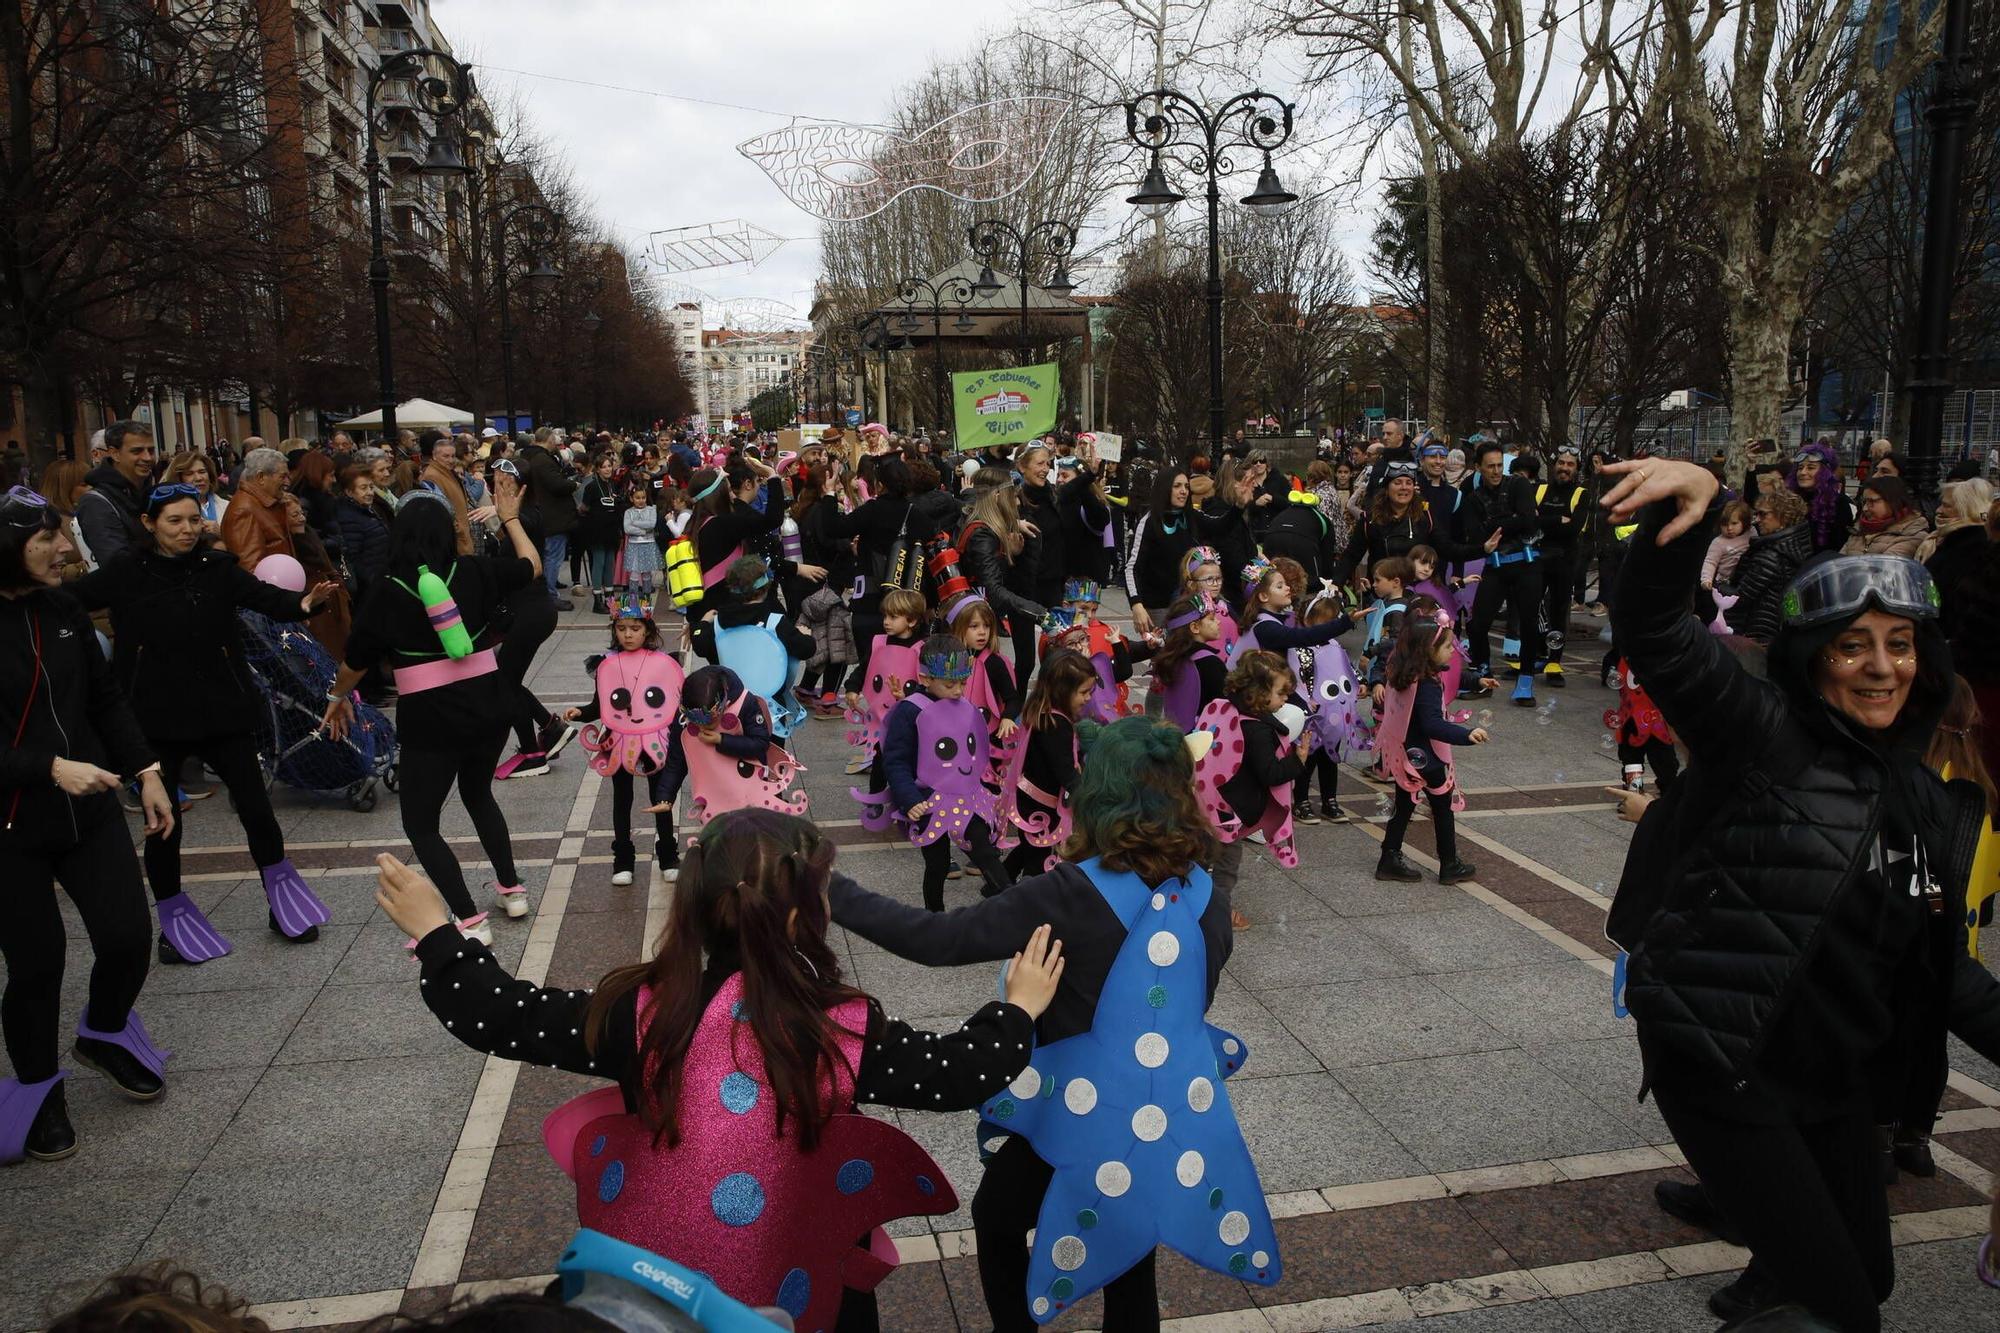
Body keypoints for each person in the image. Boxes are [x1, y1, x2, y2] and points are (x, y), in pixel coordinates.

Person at [376, 808, 1063, 1333]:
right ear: (801, 916)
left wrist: (439, 932)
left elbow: (501, 1013)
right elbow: (955, 1072)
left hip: (649, 1287)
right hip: (804, 1288)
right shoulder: (839, 1028)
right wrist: (1018, 1009)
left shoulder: (643, 1010)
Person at [1599, 455, 2000, 1332]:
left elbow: (1943, 968)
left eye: (1899, 644)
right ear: (1814, 660)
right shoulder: (1762, 736)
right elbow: (1657, 631)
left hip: (1833, 1075)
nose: (1880, 667)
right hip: (1726, 1063)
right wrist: (1690, 512)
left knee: (1867, 1275)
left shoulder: (1923, 795)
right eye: (1853, 644)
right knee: (1840, 1310)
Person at [830, 717, 1280, 1329]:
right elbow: (1193, 1001)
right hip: (1165, 1114)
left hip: (1075, 1110)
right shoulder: (1208, 896)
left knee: (998, 1215)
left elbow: (935, 939)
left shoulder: (1067, 894)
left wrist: (831, 890)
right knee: (1131, 1251)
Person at [70, 484, 342, 961]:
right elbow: (69, 600)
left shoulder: (215, 568)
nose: (187, 529)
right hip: (155, 719)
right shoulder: (126, 572)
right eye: (174, 520)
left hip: (223, 711)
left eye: (194, 520)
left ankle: (283, 905)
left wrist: (304, 603)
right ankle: (173, 922)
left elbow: (264, 597)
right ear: (151, 524)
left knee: (257, 810)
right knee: (164, 823)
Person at [0, 486, 176, 1165]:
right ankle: (41, 1093)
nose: (64, 549)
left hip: (91, 806)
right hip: (13, 824)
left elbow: (105, 699)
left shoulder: (64, 608)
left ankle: (103, 1032)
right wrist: (46, 767)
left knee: (130, 936)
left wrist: (148, 770)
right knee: (37, 963)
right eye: (44, 537)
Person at [319, 485, 543, 944]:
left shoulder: (387, 590)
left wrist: (335, 696)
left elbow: (355, 661)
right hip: (490, 705)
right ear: (447, 532)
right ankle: (512, 890)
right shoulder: (475, 570)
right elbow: (532, 567)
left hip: (431, 719)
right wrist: (509, 518)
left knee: (421, 823)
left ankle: (470, 918)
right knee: (479, 794)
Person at [881, 634, 1014, 910]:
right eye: (950, 684)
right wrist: (910, 799)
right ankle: (934, 916)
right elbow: (896, 760)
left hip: (966, 796)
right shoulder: (910, 711)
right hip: (929, 799)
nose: (958, 691)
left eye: (963, 683)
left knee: (984, 850)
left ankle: (1011, 902)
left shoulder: (962, 705)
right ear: (926, 679)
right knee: (938, 863)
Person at [1374, 596, 1487, 884]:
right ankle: (1449, 863)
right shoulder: (1426, 684)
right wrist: (1466, 734)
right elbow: (1433, 725)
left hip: (1407, 754)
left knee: (1404, 806)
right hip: (1428, 757)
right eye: (1448, 646)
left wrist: (1474, 681)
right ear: (1428, 650)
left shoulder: (1406, 673)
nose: (1453, 652)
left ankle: (1389, 857)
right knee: (1442, 807)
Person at [490, 460, 571, 781]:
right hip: (525, 611)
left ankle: (534, 750)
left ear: (522, 486)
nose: (500, 487)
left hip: (533, 612)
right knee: (505, 680)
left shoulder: (528, 516)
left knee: (505, 683)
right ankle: (549, 729)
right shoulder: (514, 517)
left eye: (507, 482)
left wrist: (505, 518)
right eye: (496, 480)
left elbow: (523, 542)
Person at [1123, 468, 1254, 636]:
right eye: (1177, 486)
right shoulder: (1149, 522)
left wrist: (1239, 505)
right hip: (1159, 608)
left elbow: (1219, 527)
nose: (1183, 491)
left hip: (1190, 601)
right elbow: (1132, 568)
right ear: (1164, 488)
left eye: (1186, 486)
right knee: (1166, 655)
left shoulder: (1190, 515)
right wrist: (1136, 605)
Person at [1721, 489, 1813, 644]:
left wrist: (1716, 587)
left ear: (1784, 517)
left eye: (1763, 514)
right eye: (1756, 514)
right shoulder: (1797, 547)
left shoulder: (1771, 555)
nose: (1757, 520)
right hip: (1775, 632)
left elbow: (1740, 597)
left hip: (1755, 632)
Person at [74, 420, 156, 568]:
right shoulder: (95, 503)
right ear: (114, 453)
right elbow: (116, 562)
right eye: (137, 451)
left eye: (151, 450)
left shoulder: (152, 493)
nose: (147, 458)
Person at [1920, 477, 1992, 639]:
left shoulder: (1969, 550)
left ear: (1966, 509)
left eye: (1946, 505)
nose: (1939, 510)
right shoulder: (1947, 541)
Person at [515, 426, 579, 608]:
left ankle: (548, 585)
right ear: (549, 440)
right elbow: (556, 484)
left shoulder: (526, 456)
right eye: (554, 439)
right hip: (552, 515)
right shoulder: (542, 460)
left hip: (538, 512)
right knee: (553, 555)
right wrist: (572, 484)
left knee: (545, 553)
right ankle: (549, 593)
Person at [218, 447, 297, 574]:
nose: (287, 482)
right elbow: (250, 569)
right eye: (282, 477)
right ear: (261, 477)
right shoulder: (244, 511)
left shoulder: (261, 504)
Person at [575, 452, 622, 616]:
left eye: (609, 466)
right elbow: (584, 508)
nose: (608, 469)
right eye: (604, 467)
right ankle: (597, 599)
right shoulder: (592, 486)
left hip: (611, 529)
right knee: (599, 561)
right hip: (596, 529)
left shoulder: (613, 485)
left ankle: (610, 597)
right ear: (597, 469)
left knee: (610, 562)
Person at [1788, 441, 1853, 554]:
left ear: (1825, 472)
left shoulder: (1839, 503)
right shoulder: (1790, 499)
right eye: (1800, 468)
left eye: (1811, 468)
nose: (1803, 472)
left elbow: (1840, 547)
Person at [1840, 476, 1929, 559]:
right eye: (1864, 502)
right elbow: (1840, 562)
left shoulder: (1911, 533)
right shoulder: (1859, 528)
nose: (1865, 508)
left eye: (1872, 501)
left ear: (1893, 501)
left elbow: (1886, 567)